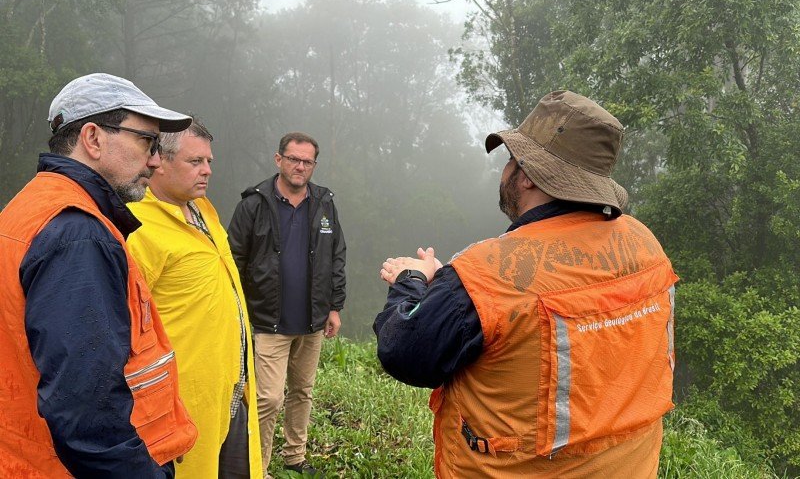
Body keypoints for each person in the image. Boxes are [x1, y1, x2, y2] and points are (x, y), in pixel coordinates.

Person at [374, 90, 678, 478]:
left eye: (511, 161)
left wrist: (412, 279)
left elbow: (404, 351)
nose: (505, 172)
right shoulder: (645, 244)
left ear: (529, 176)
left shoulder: (490, 273)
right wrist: (451, 285)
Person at [0, 73, 198, 477]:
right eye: (147, 141)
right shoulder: (78, 234)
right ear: (92, 138)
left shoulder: (30, 207)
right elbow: (85, 412)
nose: (156, 160)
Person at [126, 120, 263, 479]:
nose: (207, 171)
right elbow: (125, 328)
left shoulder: (204, 211)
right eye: (196, 162)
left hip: (233, 390)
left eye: (209, 161)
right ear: (159, 160)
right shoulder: (137, 227)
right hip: (181, 402)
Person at [228, 132, 346, 476]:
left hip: (312, 319)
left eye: (307, 161)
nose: (300, 166)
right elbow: (234, 257)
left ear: (314, 165)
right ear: (278, 160)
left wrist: (334, 306)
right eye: (293, 159)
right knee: (267, 399)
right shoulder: (254, 204)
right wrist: (238, 308)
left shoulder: (324, 204)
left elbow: (336, 255)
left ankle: (295, 455)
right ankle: (257, 466)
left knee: (302, 392)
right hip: (269, 320)